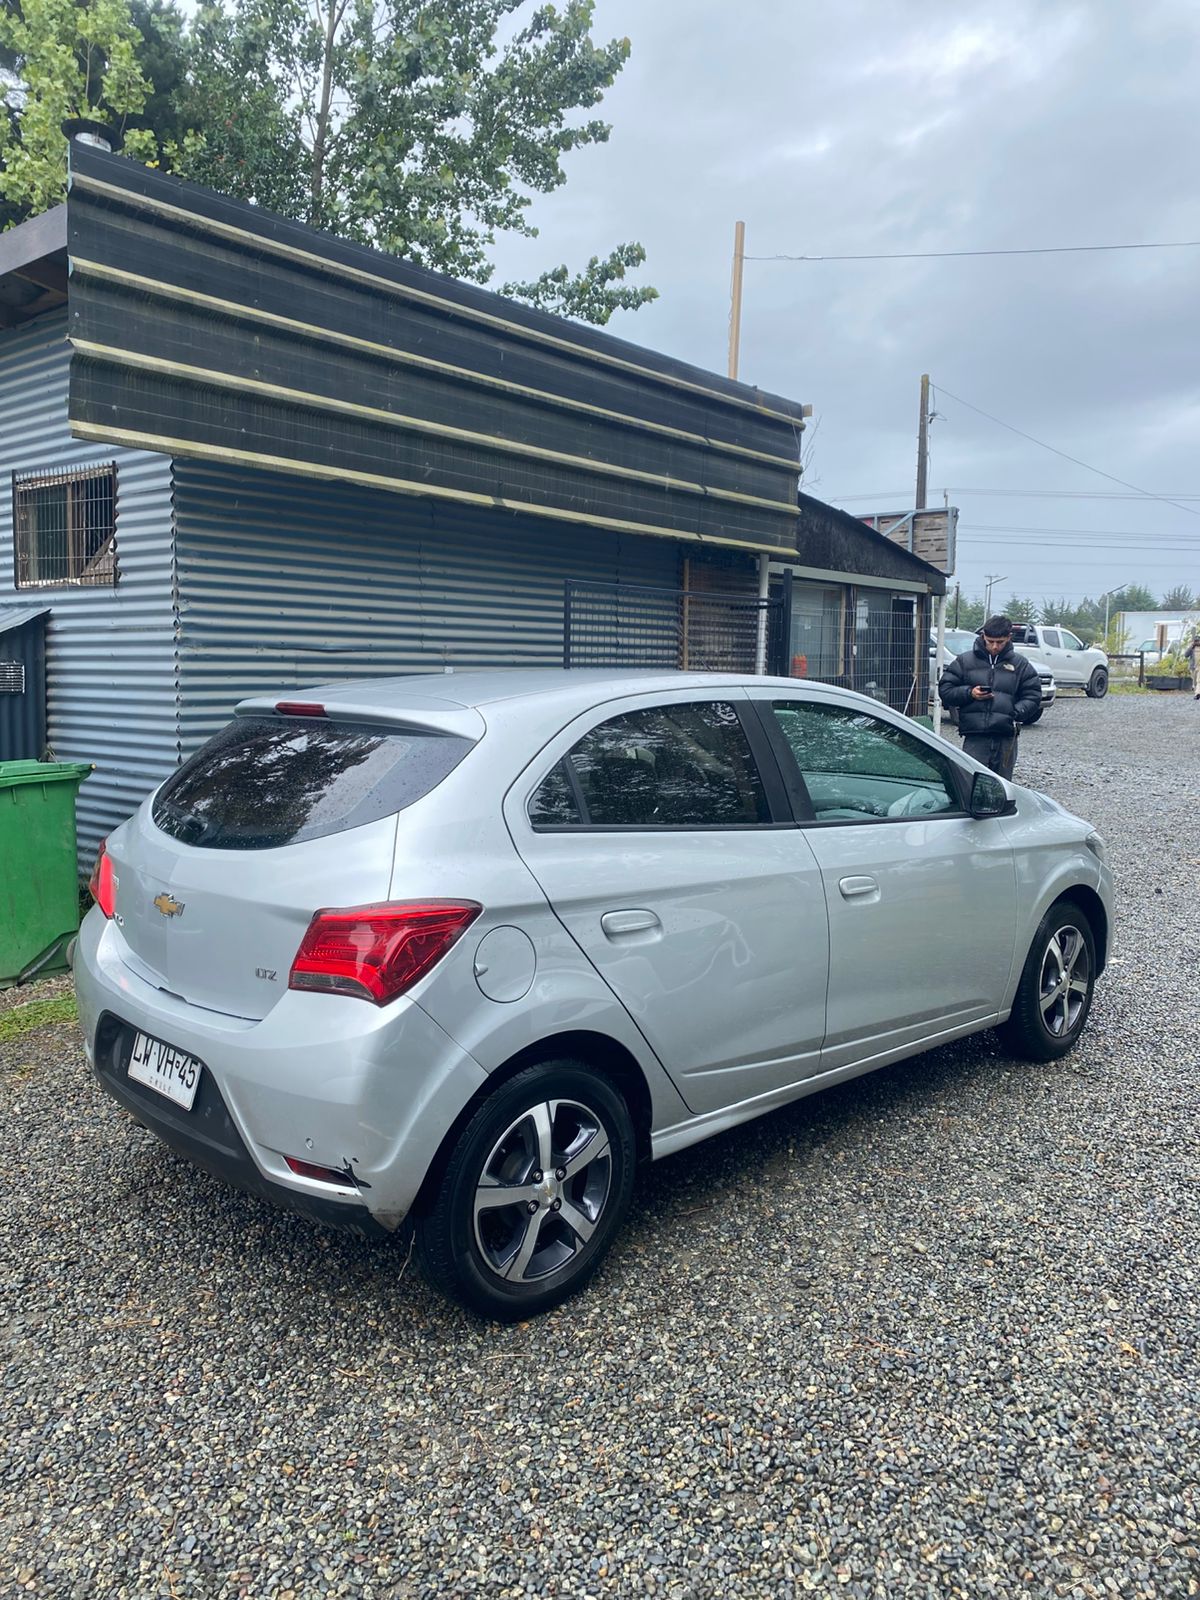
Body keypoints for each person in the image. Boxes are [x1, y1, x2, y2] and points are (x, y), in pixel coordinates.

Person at [938, 615, 1042, 780]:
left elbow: (1034, 695)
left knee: (1002, 785)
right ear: (983, 636)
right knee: (971, 782)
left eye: (1000, 642)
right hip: (974, 735)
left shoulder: (1021, 665)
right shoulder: (964, 661)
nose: (994, 646)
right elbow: (945, 690)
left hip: (1006, 736)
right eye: (990, 641)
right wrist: (969, 693)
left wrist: (1016, 712)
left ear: (1009, 637)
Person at [1185, 631, 1200, 699]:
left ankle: (1197, 694)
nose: (1197, 642)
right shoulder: (1191, 648)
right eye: (1196, 641)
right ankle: (1196, 690)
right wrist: (1191, 646)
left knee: (1199, 680)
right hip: (1193, 667)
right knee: (1194, 682)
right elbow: (1186, 655)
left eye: (1198, 641)